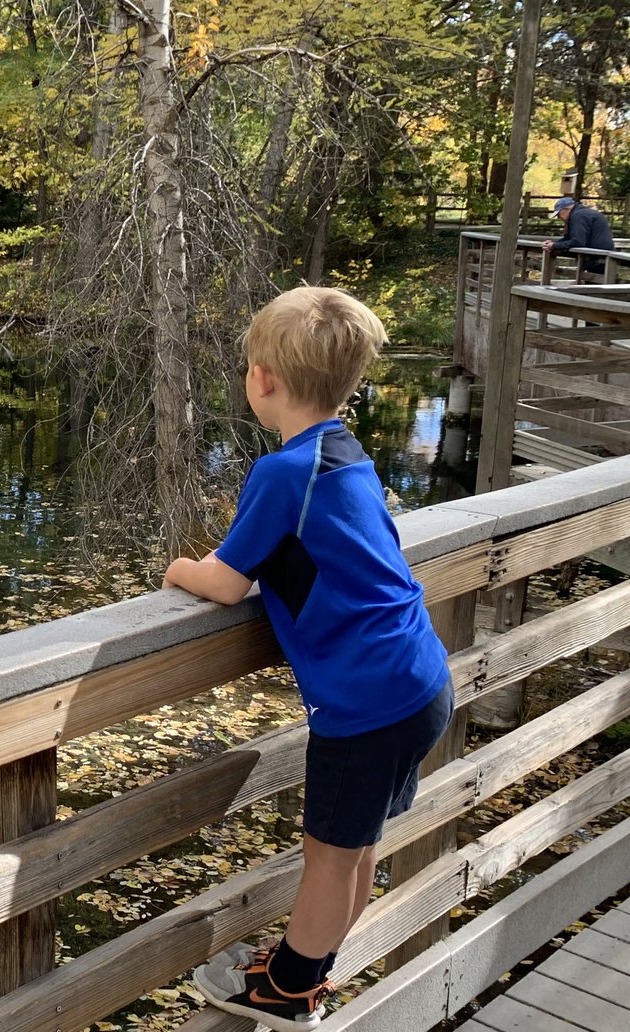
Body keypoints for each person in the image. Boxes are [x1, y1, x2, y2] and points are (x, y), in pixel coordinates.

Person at [162, 287, 454, 1031]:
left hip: (365, 702)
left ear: (262, 379)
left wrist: (178, 569)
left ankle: (288, 990)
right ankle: (308, 966)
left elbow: (227, 582)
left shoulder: (284, 473)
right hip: (417, 682)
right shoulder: (344, 454)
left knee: (329, 853)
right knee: (355, 848)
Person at [542, 195, 615, 277]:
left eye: (559, 214)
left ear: (566, 209)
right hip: (603, 257)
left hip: (596, 258)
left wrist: (554, 245)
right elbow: (570, 237)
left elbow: (578, 241)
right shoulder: (584, 213)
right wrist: (554, 244)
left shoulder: (577, 216)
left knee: (594, 285)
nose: (559, 218)